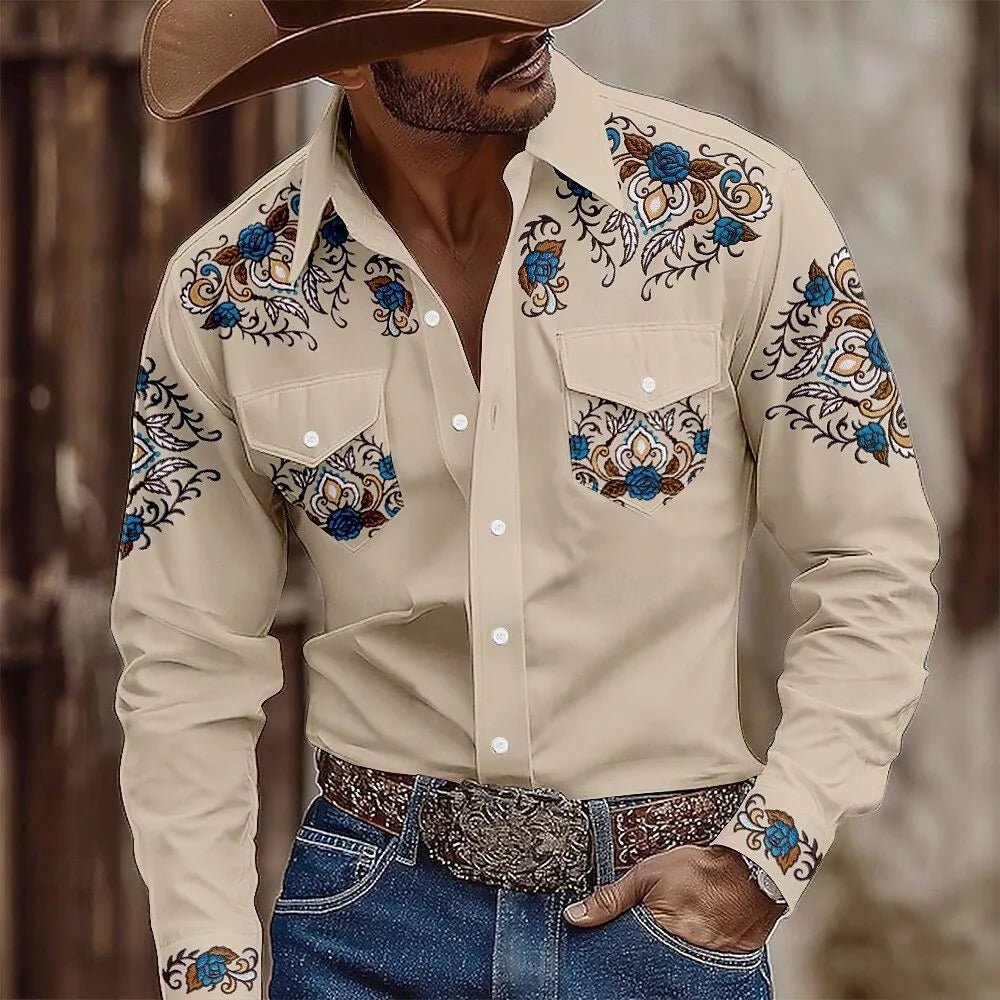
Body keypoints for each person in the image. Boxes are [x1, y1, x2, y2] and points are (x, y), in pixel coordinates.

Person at [111, 1, 941, 998]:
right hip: (366, 925)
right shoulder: (224, 293)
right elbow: (183, 659)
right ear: (342, 61)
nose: (522, 23)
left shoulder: (733, 210)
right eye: (468, 9)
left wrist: (764, 858)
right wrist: (211, 975)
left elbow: (871, 560)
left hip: (662, 931)